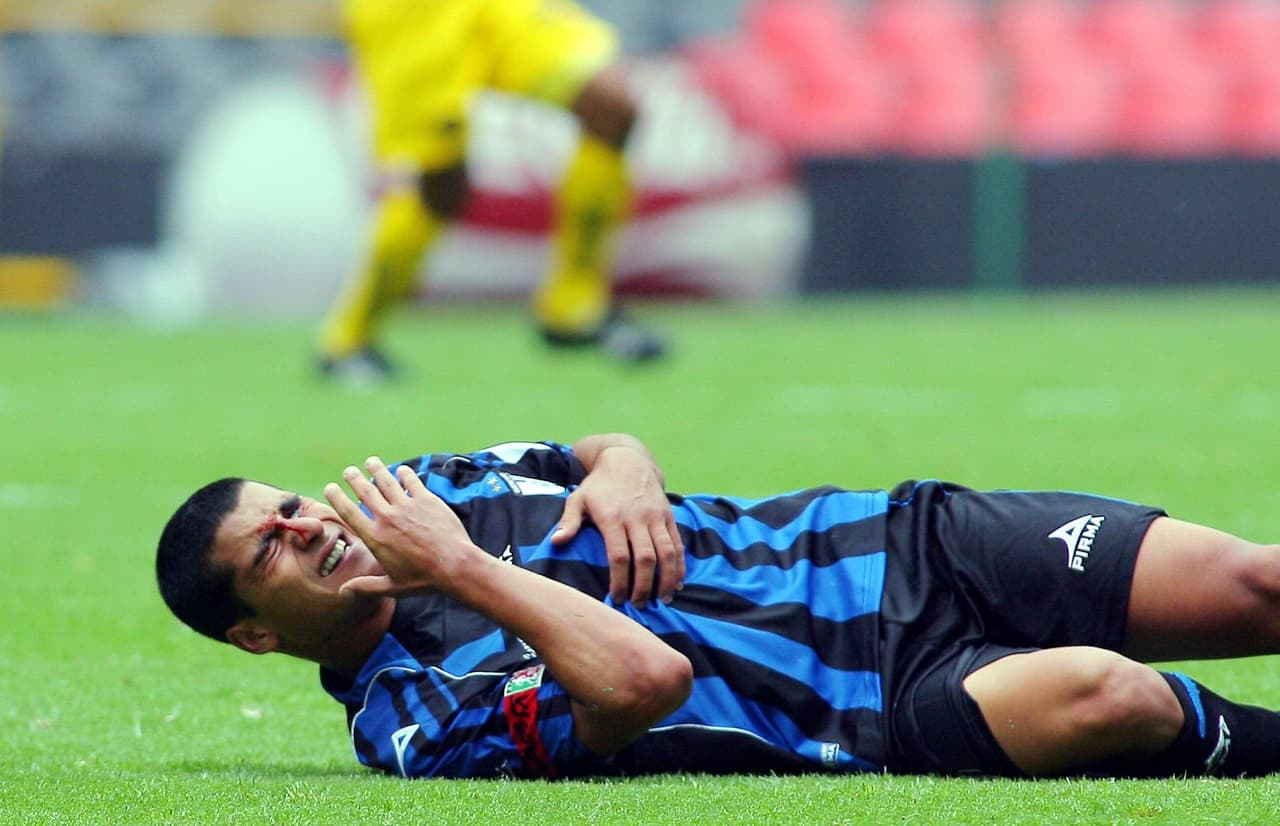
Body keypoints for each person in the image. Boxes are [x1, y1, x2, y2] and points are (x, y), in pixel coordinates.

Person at [156, 433, 1280, 779]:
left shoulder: (417, 486)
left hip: (890, 541)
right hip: (874, 699)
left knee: (1255, 583)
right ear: (255, 633)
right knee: (1109, 695)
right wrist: (457, 568)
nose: (307, 526)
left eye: (292, 506)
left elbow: (583, 446)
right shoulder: (415, 716)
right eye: (270, 549)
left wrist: (627, 464)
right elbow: (643, 684)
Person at [318, 0, 664, 382]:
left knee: (611, 105)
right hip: (414, 14)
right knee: (443, 184)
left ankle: (573, 308)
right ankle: (348, 341)